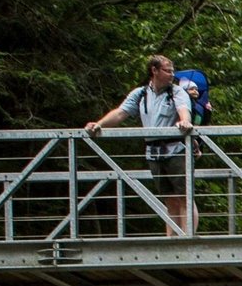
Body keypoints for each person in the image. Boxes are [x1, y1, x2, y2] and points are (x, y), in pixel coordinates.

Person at [84, 55, 198, 236]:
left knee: (185, 196)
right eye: (168, 71)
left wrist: (184, 122)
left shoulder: (177, 92)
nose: (172, 74)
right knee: (169, 199)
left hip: (176, 149)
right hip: (153, 152)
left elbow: (184, 110)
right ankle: (172, 238)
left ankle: (188, 238)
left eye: (172, 71)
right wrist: (99, 124)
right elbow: (121, 113)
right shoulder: (140, 94)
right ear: (154, 70)